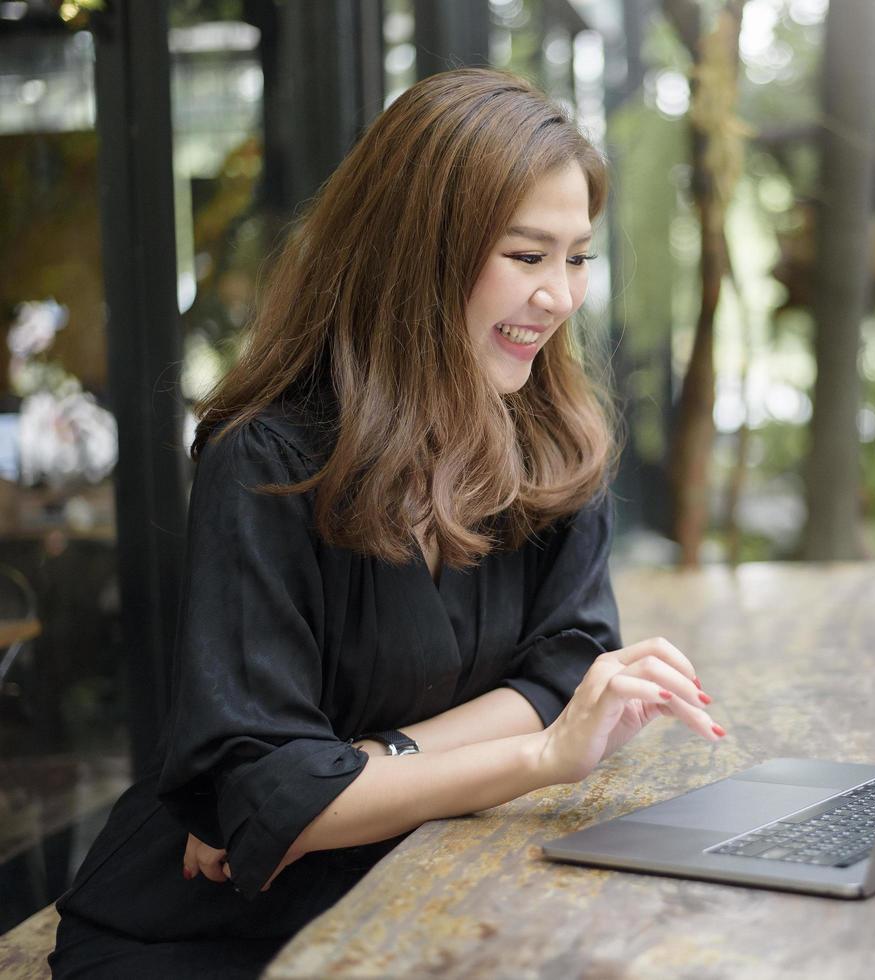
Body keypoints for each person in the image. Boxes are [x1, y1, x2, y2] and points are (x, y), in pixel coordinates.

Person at [49, 68, 724, 979]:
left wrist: (370, 764)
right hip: (220, 930)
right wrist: (538, 755)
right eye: (527, 257)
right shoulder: (270, 461)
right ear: (421, 253)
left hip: (432, 883)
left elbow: (566, 665)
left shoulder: (553, 440)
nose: (560, 297)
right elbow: (269, 798)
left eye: (576, 257)